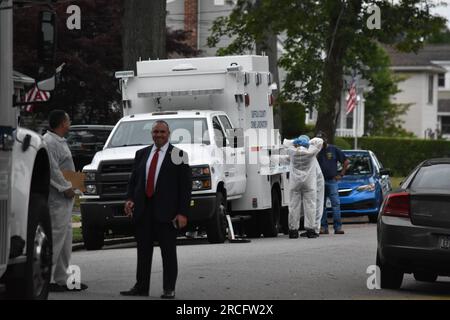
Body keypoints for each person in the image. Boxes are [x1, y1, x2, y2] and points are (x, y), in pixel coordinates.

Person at [120, 120, 192, 299]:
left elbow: (185, 187)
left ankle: (169, 288)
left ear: (169, 134)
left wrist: (182, 212)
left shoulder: (179, 155)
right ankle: (141, 287)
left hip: (167, 213)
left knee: (168, 252)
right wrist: (129, 199)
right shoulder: (141, 154)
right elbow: (134, 181)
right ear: (151, 134)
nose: (158, 135)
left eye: (162, 132)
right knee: (143, 252)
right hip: (143, 211)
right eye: (155, 132)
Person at [44, 110, 88, 292]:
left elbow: (63, 167)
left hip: (65, 200)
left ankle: (62, 278)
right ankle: (46, 278)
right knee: (55, 238)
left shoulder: (59, 141)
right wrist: (66, 187)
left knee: (65, 239)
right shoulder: (49, 142)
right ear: (63, 123)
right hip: (57, 199)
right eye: (68, 120)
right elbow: (52, 170)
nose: (70, 123)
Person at [283, 135, 324, 239]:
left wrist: (295, 141)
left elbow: (285, 142)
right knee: (310, 206)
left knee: (293, 206)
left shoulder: (292, 152)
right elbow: (319, 141)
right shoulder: (311, 153)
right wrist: (308, 142)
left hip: (295, 183)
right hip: (309, 183)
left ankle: (293, 230)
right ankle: (310, 230)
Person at [316, 132, 350, 235]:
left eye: (321, 140)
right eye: (318, 141)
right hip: (320, 181)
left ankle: (338, 227)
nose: (320, 143)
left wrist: (341, 174)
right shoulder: (316, 151)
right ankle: (323, 227)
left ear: (326, 140)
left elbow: (346, 162)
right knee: (321, 205)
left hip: (332, 180)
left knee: (335, 204)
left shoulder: (333, 149)